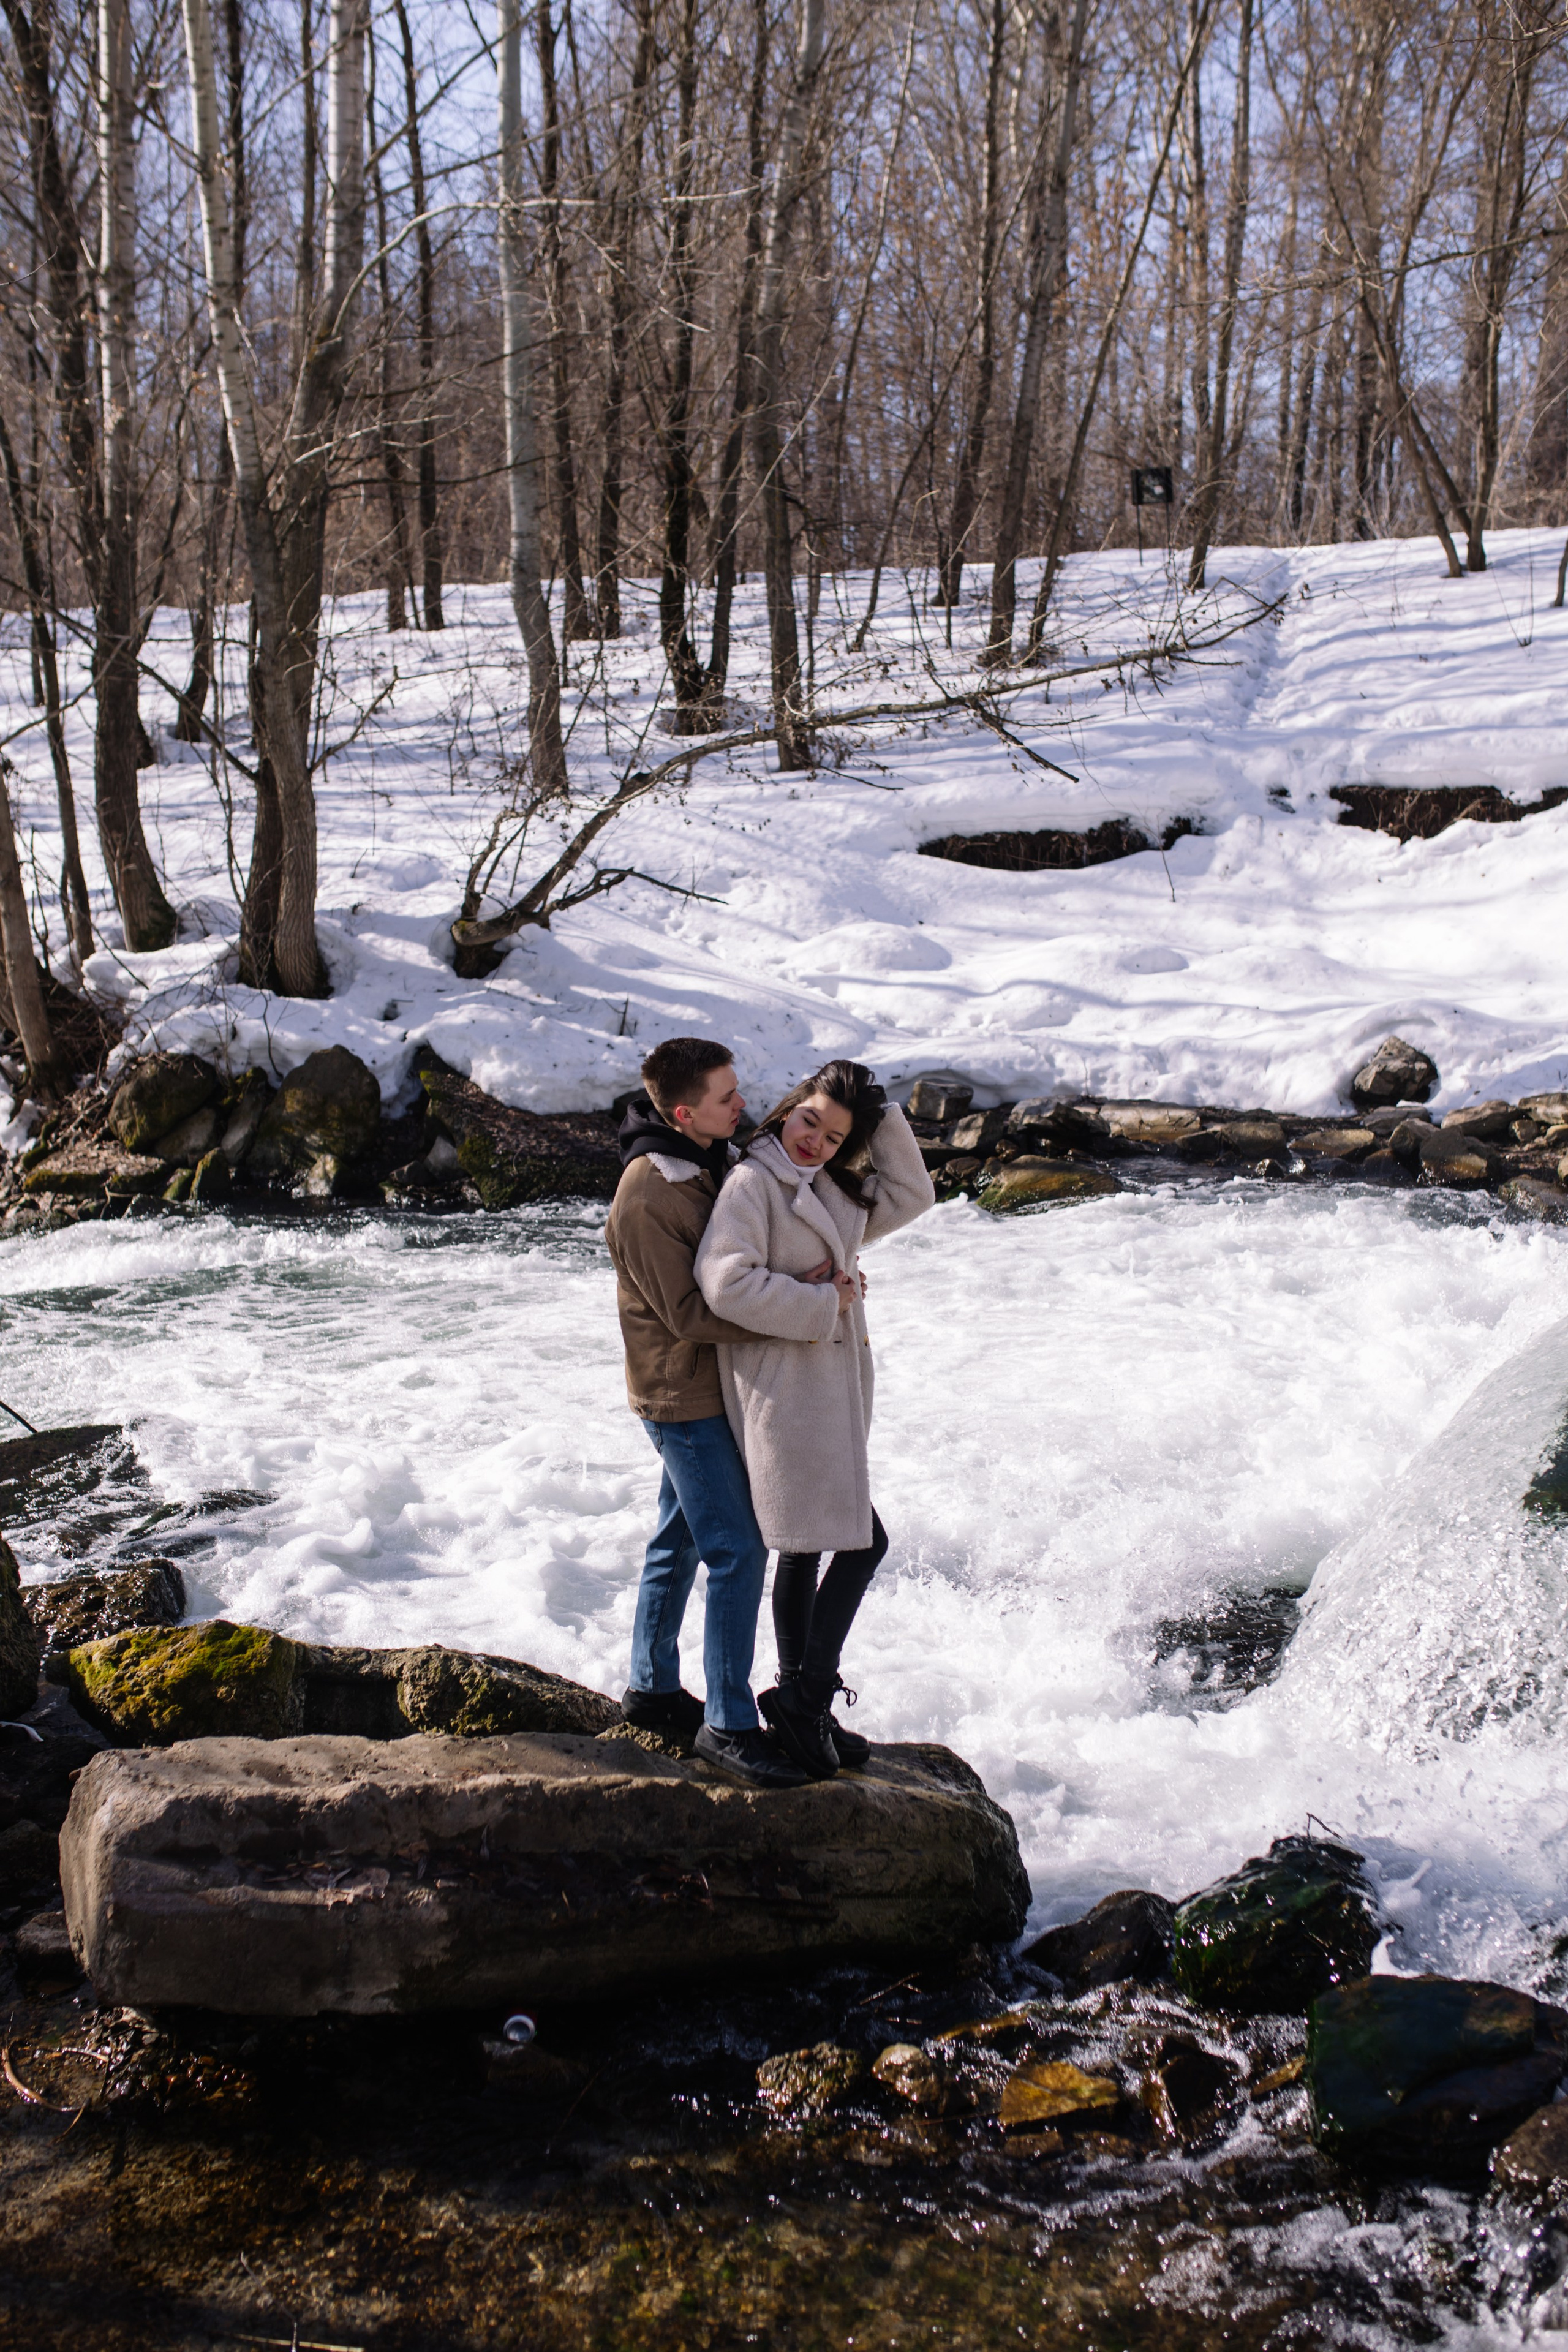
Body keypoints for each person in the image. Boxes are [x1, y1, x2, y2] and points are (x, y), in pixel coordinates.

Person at [694, 1060, 937, 1779]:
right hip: (785, 1394)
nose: (815, 1142)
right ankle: (803, 1697)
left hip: (825, 1391)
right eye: (810, 1122)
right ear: (789, 1107)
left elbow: (913, 1193)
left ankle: (808, 1710)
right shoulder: (753, 1183)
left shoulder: (829, 1185)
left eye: (834, 1137)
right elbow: (724, 1283)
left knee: (805, 1548)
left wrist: (880, 1113)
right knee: (861, 1543)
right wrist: (818, 1301)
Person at [603, 1036, 809, 1790]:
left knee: (679, 1539)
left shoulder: (702, 1159)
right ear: (686, 1112)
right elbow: (689, 1312)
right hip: (679, 1395)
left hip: (701, 1385)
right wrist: (800, 1313)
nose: (742, 1106)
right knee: (739, 1550)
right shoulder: (649, 1193)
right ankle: (727, 1724)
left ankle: (651, 1690)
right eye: (728, 1098)